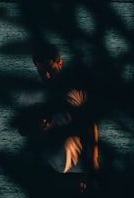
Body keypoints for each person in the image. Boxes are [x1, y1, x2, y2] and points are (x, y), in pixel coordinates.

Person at [14, 42, 99, 197]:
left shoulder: (77, 90)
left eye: (49, 70)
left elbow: (90, 126)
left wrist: (93, 163)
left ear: (60, 63)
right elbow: (22, 129)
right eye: (41, 72)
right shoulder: (29, 94)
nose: (46, 76)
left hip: (76, 170)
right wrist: (37, 125)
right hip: (44, 171)